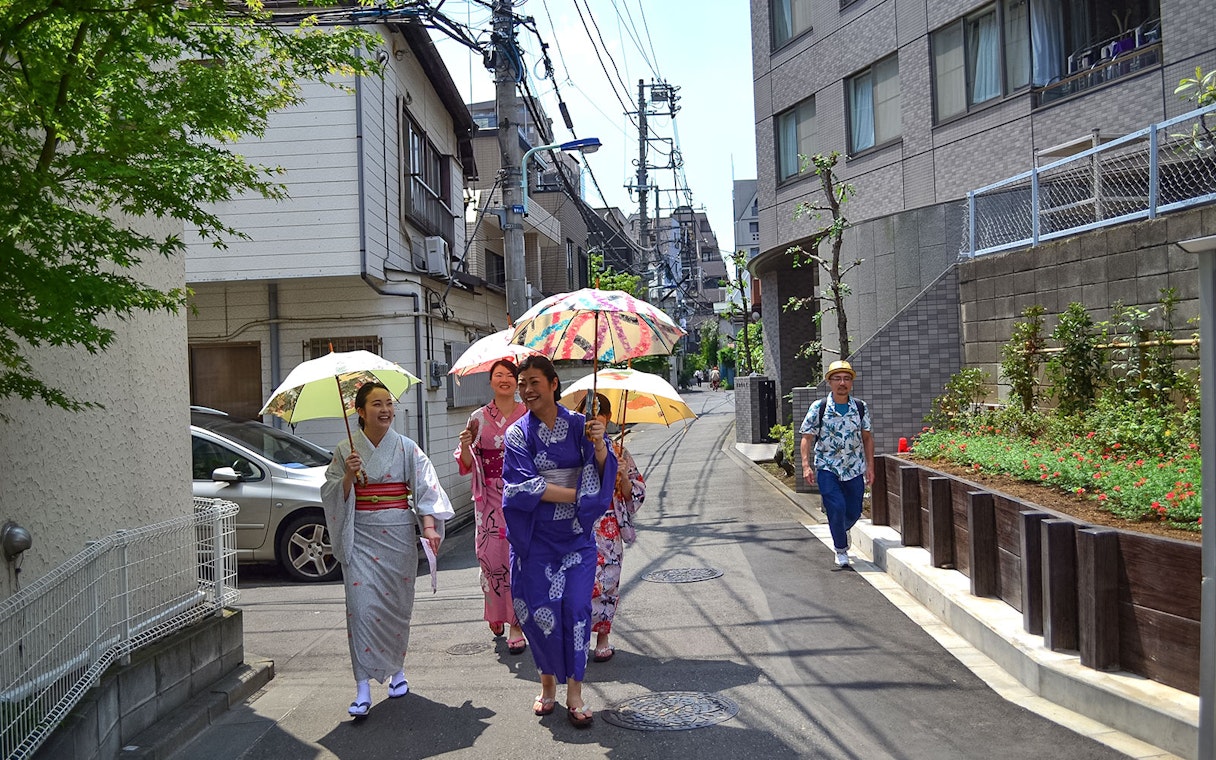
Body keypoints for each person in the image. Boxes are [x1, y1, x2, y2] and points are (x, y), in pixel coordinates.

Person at [321, 382, 454, 718]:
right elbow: (331, 492)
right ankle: (362, 686)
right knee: (362, 609)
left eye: (388, 404)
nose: (385, 410)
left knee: (395, 608)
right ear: (360, 411)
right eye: (376, 404)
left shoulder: (407, 448)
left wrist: (427, 527)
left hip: (396, 536)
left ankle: (398, 672)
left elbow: (425, 489)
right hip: (360, 536)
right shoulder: (343, 451)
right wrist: (348, 477)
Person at [502, 356, 617, 728]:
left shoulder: (582, 426)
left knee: (576, 610)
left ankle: (575, 692)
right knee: (537, 612)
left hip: (576, 539)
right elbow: (522, 488)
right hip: (536, 539)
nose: (527, 390)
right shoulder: (518, 434)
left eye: (534, 382)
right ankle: (547, 683)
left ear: (554, 385)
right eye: (522, 384)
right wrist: (576, 495)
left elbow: (602, 472)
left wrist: (599, 448)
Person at [454, 359, 528, 655]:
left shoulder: (527, 414)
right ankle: (495, 612)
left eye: (510, 375)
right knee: (491, 559)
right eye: (499, 375)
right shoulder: (478, 418)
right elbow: (466, 463)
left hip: (521, 494)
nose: (505, 380)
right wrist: (468, 444)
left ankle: (516, 624)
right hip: (488, 497)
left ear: (517, 381)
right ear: (491, 382)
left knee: (518, 559)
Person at [574, 392, 645, 664]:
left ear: (609, 419)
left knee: (607, 582)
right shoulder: (573, 449)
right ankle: (578, 637)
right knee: (580, 583)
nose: (594, 420)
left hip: (608, 525)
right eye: (588, 415)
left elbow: (633, 494)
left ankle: (603, 636)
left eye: (599, 415)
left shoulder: (619, 451)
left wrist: (624, 476)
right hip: (578, 523)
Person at [799, 360, 874, 568]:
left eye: (847, 378)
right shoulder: (819, 407)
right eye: (837, 379)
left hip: (854, 467)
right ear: (829, 382)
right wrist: (806, 466)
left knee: (854, 512)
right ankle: (841, 549)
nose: (842, 383)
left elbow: (867, 438)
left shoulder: (860, 407)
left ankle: (841, 528)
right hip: (827, 467)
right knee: (837, 507)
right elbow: (806, 437)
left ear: (851, 383)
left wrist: (870, 467)